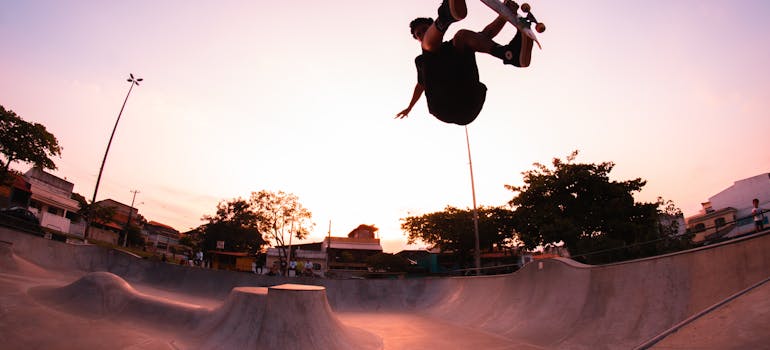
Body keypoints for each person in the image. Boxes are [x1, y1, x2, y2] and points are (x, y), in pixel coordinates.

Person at [396, 0, 535, 126]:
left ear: (431, 26)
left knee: (463, 36)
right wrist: (410, 107)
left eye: (424, 30)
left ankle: (510, 55)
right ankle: (445, 16)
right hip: (443, 105)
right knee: (428, 49)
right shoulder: (421, 61)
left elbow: (486, 35)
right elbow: (420, 85)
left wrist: (505, 13)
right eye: (419, 34)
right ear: (417, 39)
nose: (422, 34)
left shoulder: (455, 46)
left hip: (469, 100)